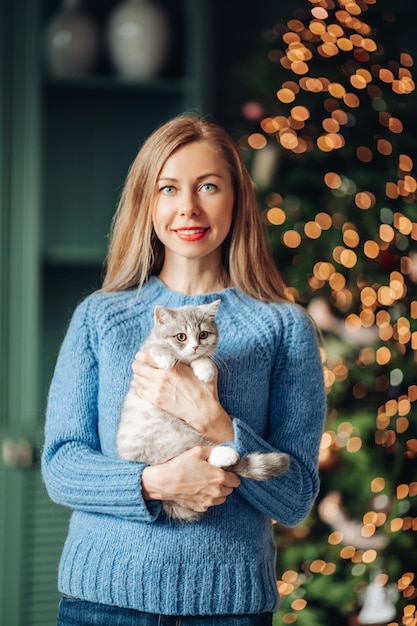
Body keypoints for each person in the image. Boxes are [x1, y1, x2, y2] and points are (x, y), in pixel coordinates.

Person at [42, 114, 327, 626]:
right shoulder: (101, 317)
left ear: (236, 199)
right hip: (103, 599)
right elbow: (61, 465)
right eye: (168, 188)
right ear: (147, 203)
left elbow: (296, 496)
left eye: (209, 186)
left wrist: (214, 421)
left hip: (229, 606)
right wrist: (155, 482)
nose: (188, 207)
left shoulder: (284, 328)